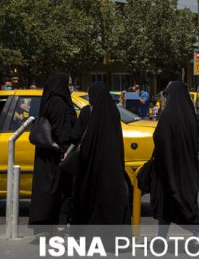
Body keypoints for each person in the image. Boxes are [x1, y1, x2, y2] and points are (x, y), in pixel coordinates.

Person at [69, 82, 130, 225]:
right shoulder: (114, 112)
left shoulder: (87, 112)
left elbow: (75, 136)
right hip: (112, 166)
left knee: (88, 200)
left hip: (90, 166)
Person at [151, 81, 199, 237]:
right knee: (189, 202)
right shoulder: (190, 116)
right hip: (188, 168)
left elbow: (158, 137)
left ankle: (161, 237)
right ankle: (196, 238)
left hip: (169, 167)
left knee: (167, 204)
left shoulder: (167, 116)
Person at [29, 73, 77, 232]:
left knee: (48, 190)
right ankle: (58, 225)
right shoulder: (58, 103)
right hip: (57, 154)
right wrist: (66, 149)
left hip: (46, 154)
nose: (70, 87)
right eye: (68, 84)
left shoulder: (49, 100)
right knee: (61, 189)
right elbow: (61, 128)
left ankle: (47, 225)